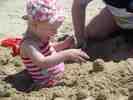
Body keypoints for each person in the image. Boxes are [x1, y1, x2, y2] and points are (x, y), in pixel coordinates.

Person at [1, 0, 89, 88]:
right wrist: (66, 54)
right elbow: (42, 62)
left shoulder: (41, 35)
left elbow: (49, 49)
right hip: (47, 83)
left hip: (59, 76)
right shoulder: (28, 45)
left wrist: (64, 44)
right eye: (52, 29)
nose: (56, 32)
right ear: (34, 24)